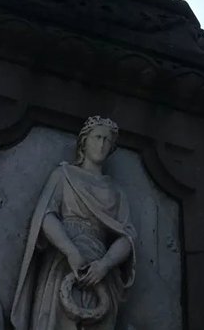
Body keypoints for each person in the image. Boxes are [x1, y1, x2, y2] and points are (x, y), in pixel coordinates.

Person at [10, 116, 137, 330]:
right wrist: (70, 251)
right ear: (84, 142)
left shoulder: (116, 192)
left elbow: (127, 237)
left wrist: (105, 265)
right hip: (63, 263)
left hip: (99, 269)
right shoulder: (64, 175)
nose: (102, 145)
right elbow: (46, 216)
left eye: (108, 141)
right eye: (97, 137)